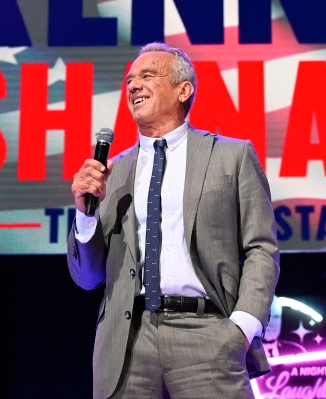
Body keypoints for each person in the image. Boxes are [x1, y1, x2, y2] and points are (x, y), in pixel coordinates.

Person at [68, 42, 280, 399]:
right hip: (126, 343)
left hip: (207, 332)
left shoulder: (231, 156)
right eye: (129, 80)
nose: (133, 85)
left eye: (148, 75)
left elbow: (261, 247)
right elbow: (87, 277)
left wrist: (242, 326)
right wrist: (85, 213)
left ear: (184, 89)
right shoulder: (113, 172)